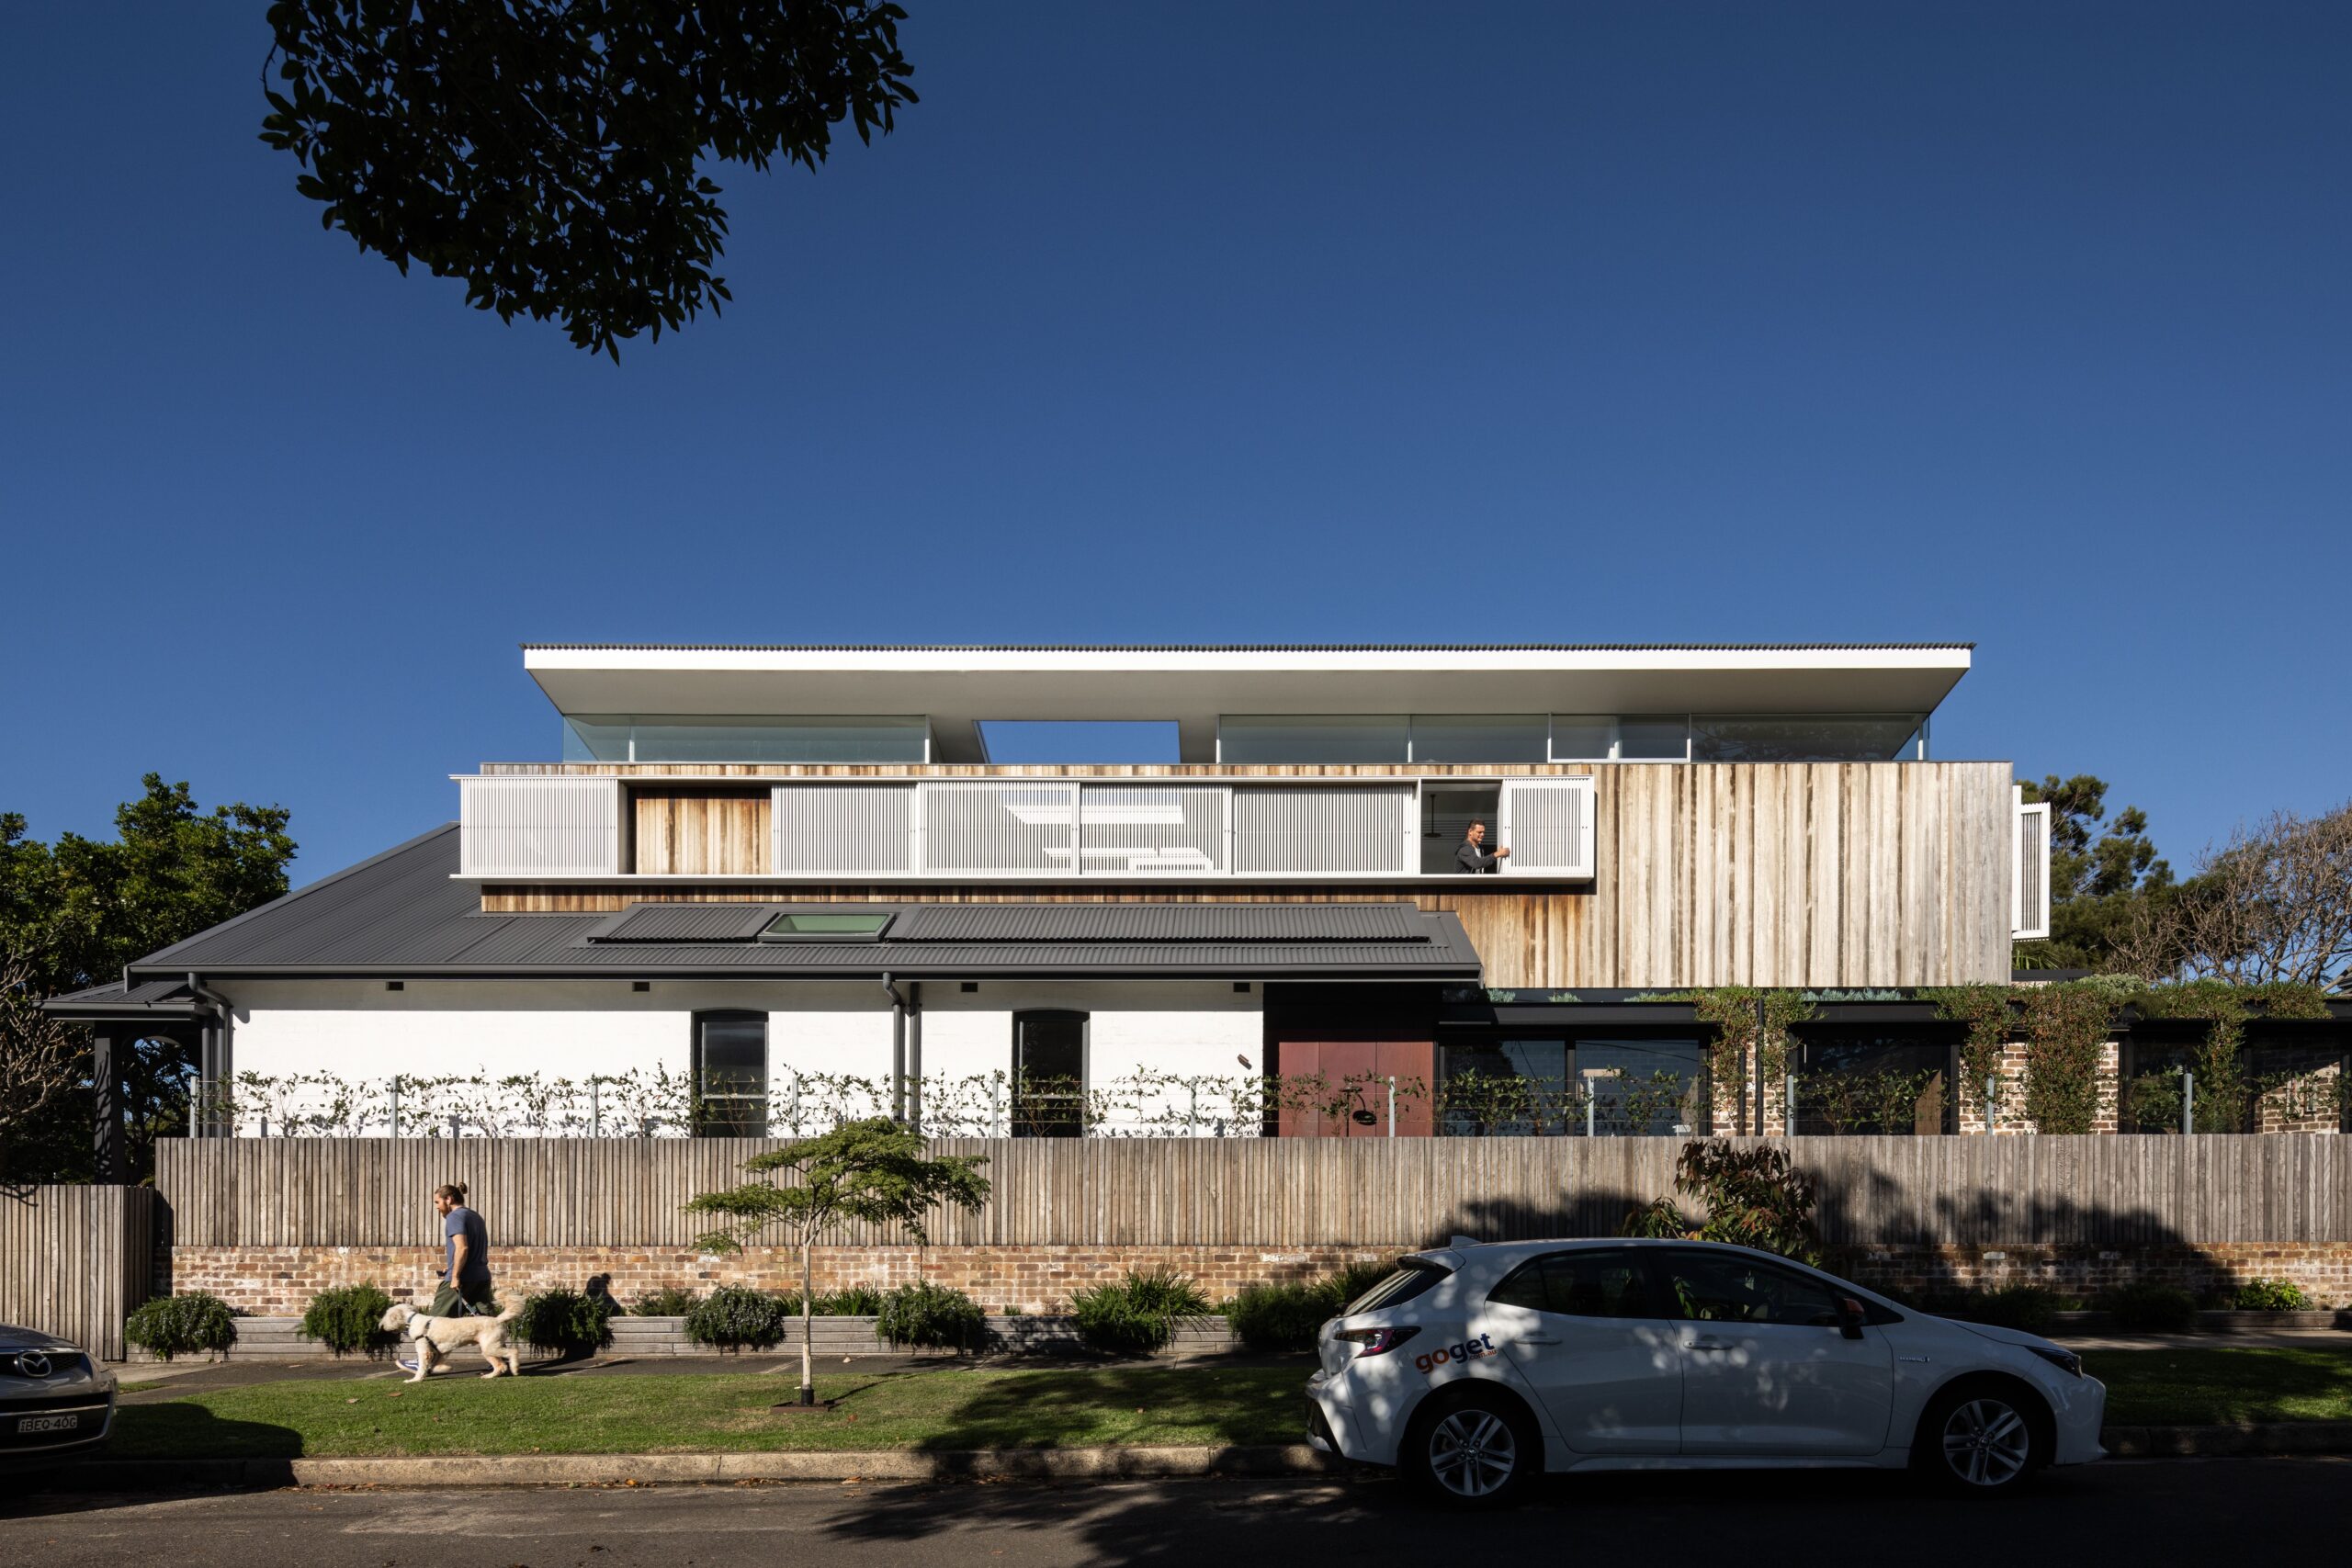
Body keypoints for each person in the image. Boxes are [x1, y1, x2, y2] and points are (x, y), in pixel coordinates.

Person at [398, 1181, 493, 1372]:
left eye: (437, 1202)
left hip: (462, 1278)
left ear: (448, 1199)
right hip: (481, 1276)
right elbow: (471, 1250)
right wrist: (450, 1266)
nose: (436, 1207)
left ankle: (424, 1362)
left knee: (433, 1322)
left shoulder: (454, 1217)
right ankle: (501, 1361)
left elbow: (463, 1247)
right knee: (488, 1322)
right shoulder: (475, 1216)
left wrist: (455, 1274)